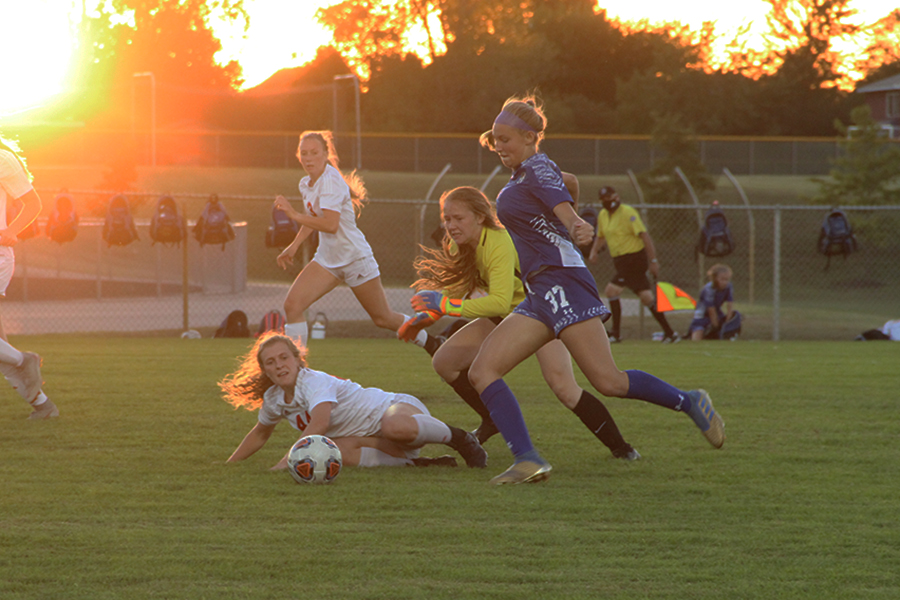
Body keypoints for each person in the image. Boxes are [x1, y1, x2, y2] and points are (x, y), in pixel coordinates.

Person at [417, 95, 723, 485]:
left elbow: (561, 200)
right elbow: (568, 186)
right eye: (495, 140)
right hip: (541, 291)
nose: (499, 147)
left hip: (562, 282)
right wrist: (567, 218)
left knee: (609, 381)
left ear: (530, 138)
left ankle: (690, 401)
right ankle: (528, 459)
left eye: (505, 139)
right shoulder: (524, 175)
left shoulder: (537, 166)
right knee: (483, 371)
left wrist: (573, 220)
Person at [400, 185, 639, 461]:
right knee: (444, 362)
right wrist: (422, 320)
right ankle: (491, 420)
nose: (450, 225)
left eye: (458, 218)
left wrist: (444, 307)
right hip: (511, 316)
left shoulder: (499, 242)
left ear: (480, 216)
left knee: (564, 387)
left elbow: (499, 301)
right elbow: (457, 293)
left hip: (543, 314)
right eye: (447, 219)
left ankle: (622, 448)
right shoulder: (460, 243)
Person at [273, 131, 440, 354]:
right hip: (328, 259)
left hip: (354, 258)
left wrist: (292, 214)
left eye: (314, 152)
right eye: (304, 153)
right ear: (298, 156)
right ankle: (297, 370)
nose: (309, 158)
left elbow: (331, 224)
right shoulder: (306, 183)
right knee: (292, 306)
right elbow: (313, 218)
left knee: (383, 318)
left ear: (326, 154)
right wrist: (294, 245)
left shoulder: (330, 181)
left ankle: (432, 342)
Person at [220, 333, 487, 469]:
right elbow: (259, 434)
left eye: (284, 358)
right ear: (265, 371)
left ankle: (462, 438)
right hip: (380, 443)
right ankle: (418, 465)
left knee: (395, 426)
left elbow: (320, 423)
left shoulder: (312, 381)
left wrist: (284, 464)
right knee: (335, 453)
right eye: (270, 362)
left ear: (298, 359)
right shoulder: (274, 398)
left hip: (396, 411)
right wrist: (228, 466)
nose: (279, 365)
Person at [0, 134, 54, 419]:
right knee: (0, 345)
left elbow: (33, 204)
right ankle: (42, 405)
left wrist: (11, 232)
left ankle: (25, 360)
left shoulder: (3, 159)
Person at [587, 186, 680, 343]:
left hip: (634, 260)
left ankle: (615, 333)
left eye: (609, 197)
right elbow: (601, 236)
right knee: (646, 298)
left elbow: (644, 236)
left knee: (611, 291)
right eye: (603, 199)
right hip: (620, 261)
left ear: (616, 196)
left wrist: (653, 261)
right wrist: (594, 251)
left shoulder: (627, 212)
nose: (607, 202)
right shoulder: (603, 215)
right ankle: (670, 333)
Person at [689, 264, 738, 341]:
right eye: (722, 279)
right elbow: (711, 309)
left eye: (727, 279)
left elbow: (729, 304)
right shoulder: (709, 289)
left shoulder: (728, 286)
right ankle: (693, 336)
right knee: (699, 329)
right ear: (715, 278)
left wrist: (728, 322)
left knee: (735, 317)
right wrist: (715, 326)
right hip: (703, 314)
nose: (725, 282)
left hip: (717, 312)